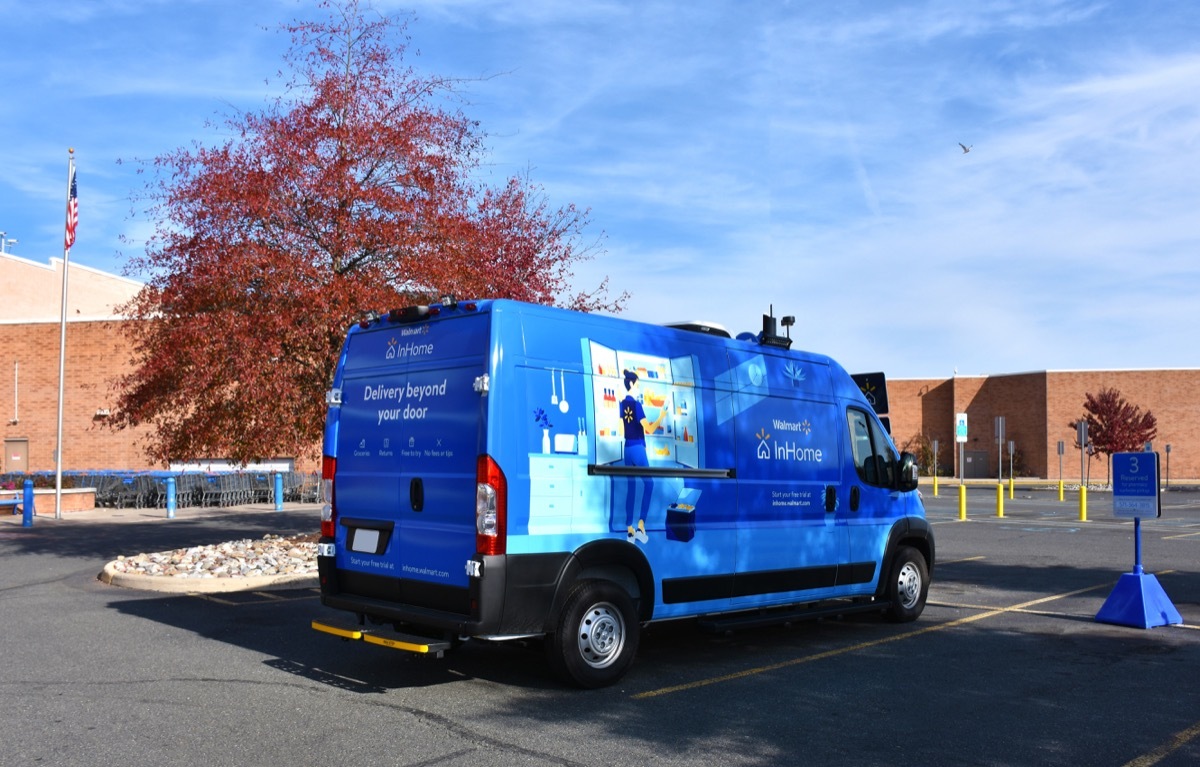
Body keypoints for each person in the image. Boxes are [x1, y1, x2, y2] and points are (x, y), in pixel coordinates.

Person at [620, 369, 667, 543]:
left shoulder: (622, 404)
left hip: (627, 448)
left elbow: (621, 428)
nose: (639, 389)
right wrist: (661, 416)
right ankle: (641, 525)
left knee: (631, 487)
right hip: (638, 449)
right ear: (631, 384)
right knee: (649, 483)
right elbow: (650, 429)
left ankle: (629, 530)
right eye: (638, 385)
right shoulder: (637, 405)